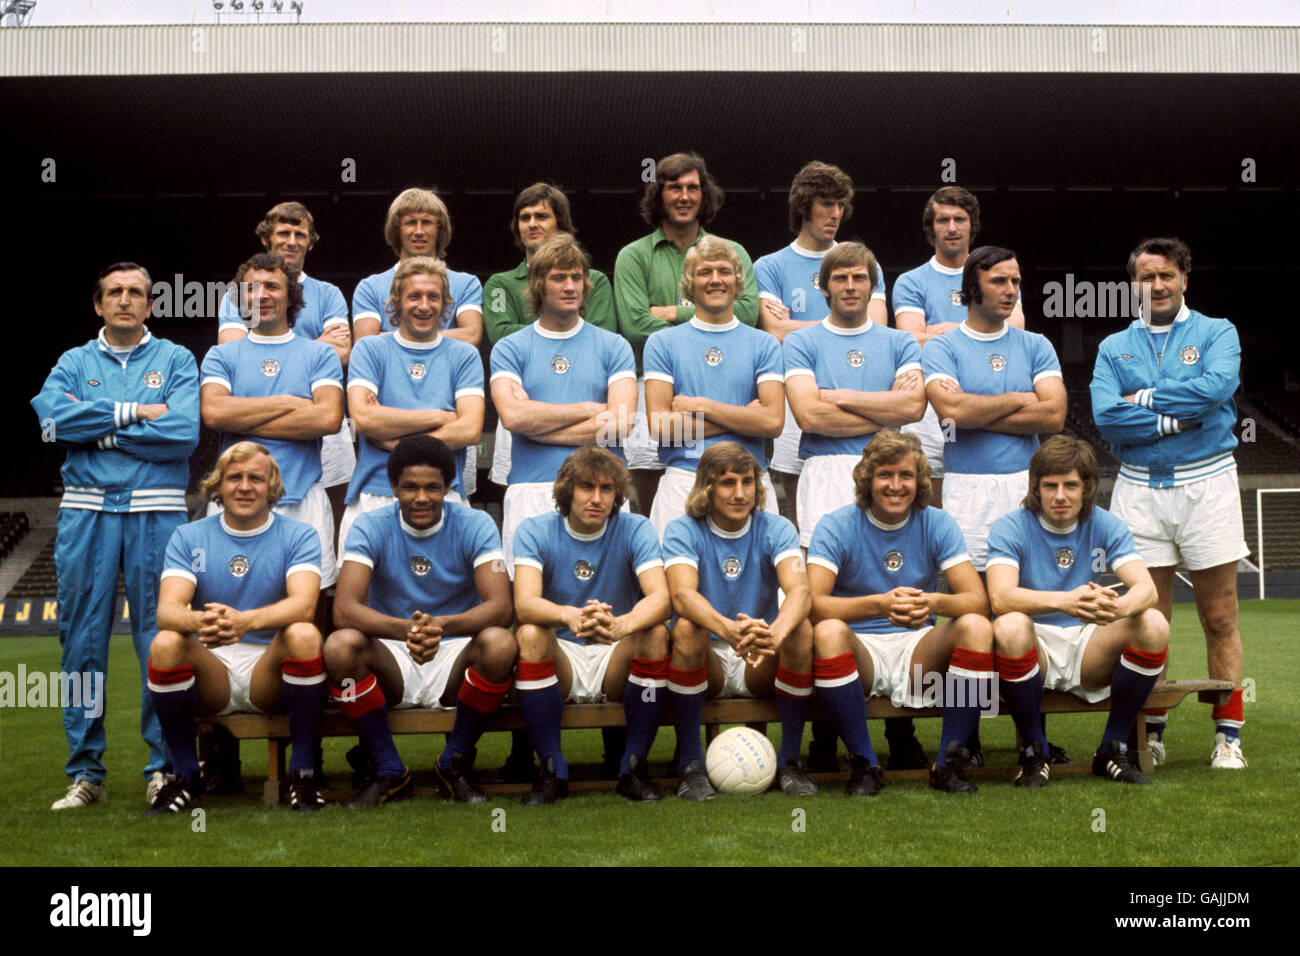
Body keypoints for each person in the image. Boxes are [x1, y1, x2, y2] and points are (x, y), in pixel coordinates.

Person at [33, 262, 200, 810]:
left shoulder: (174, 359)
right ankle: (86, 773)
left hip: (158, 511)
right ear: (99, 305)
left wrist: (96, 433)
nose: (126, 300)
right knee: (81, 641)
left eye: (136, 293)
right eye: (115, 292)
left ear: (151, 305)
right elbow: (52, 424)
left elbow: (181, 434)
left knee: (160, 641)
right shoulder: (73, 362)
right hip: (87, 513)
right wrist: (131, 415)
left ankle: (163, 767)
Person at [1090, 237, 1248, 769]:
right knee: (1148, 618)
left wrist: (1143, 401)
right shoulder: (1114, 346)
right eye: (1145, 276)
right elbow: (1106, 417)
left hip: (1208, 483)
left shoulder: (1216, 331)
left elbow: (1218, 387)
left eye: (1166, 275)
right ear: (1132, 283)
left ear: (1184, 278)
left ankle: (1229, 736)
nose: (1155, 285)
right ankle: (1150, 731)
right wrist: (1177, 416)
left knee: (1220, 615)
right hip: (1137, 487)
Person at [327, 436, 515, 806]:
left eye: (433, 487)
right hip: (392, 654)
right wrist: (406, 630)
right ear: (393, 486)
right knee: (339, 647)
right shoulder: (370, 525)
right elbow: (344, 609)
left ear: (449, 487)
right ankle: (388, 769)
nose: (421, 497)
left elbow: (500, 608)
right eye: (409, 487)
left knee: (500, 642)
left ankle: (454, 761)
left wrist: (441, 626)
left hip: (454, 652)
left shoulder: (475, 523)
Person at [807, 430, 995, 794]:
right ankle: (864, 763)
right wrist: (878, 604)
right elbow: (813, 604)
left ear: (919, 480)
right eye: (885, 475)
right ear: (867, 480)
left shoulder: (936, 522)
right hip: (858, 650)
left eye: (906, 475)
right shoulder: (836, 524)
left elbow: (977, 600)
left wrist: (933, 602)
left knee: (975, 626)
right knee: (827, 631)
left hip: (917, 652)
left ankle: (950, 762)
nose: (896, 485)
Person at [145, 443, 326, 814]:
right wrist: (200, 621)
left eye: (256, 478)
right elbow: (167, 610)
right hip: (213, 669)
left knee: (304, 634)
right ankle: (185, 777)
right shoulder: (189, 536)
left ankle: (303, 774)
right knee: (165, 643)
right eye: (234, 478)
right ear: (218, 486)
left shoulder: (299, 535)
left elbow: (305, 605)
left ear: (272, 486)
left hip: (269, 669)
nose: (245, 487)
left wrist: (245, 622)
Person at [987, 436, 1170, 786]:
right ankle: (1033, 750)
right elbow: (1000, 597)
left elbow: (1147, 589)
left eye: (1070, 485)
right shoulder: (1011, 526)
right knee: (1009, 625)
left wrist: (1114, 608)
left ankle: (1112, 748)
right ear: (1035, 487)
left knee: (1153, 622)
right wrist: (1064, 601)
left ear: (1086, 487)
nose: (1060, 495)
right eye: (1050, 485)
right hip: (1032, 642)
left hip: (1088, 644)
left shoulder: (1104, 523)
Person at [512, 447, 671, 804]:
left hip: (617, 652)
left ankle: (633, 766)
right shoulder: (535, 529)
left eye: (607, 489)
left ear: (618, 494)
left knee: (656, 633)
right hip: (563, 653)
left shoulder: (636, 527)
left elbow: (661, 598)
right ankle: (552, 771)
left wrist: (621, 624)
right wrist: (569, 615)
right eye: (586, 487)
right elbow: (524, 603)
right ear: (567, 489)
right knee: (530, 633)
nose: (596, 498)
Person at [661, 443, 817, 800]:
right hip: (709, 656)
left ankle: (791, 761)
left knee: (800, 630)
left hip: (760, 657)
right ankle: (690, 765)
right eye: (728, 483)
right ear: (707, 488)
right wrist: (727, 629)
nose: (740, 493)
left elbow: (801, 593)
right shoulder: (683, 529)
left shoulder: (775, 527)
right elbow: (682, 596)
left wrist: (774, 635)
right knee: (686, 628)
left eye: (748, 482)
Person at [200, 253, 344, 618]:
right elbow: (214, 413)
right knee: (227, 605)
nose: (261, 295)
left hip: (302, 497)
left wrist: (243, 414)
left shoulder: (319, 354)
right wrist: (289, 402)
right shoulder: (221, 355)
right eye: (252, 287)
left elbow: (328, 417)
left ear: (291, 296)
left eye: (272, 287)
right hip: (235, 498)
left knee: (307, 615)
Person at [614, 152, 759, 516]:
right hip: (658, 383)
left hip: (726, 378)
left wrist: (673, 313)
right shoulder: (632, 256)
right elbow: (634, 325)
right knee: (655, 505)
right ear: (658, 196)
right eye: (673, 187)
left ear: (703, 195)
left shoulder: (733, 252)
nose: (684, 196)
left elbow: (746, 312)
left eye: (692, 188)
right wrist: (703, 324)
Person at [490, 233, 636, 570]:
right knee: (529, 608)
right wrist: (587, 410)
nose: (570, 286)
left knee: (608, 601)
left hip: (602, 488)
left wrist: (537, 426)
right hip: (532, 486)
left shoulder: (614, 346)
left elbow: (620, 423)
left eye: (576, 277)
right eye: (559, 277)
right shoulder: (510, 348)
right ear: (539, 284)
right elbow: (513, 417)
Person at [921, 246, 1066, 572]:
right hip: (967, 485)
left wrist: (974, 409)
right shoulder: (941, 347)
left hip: (1025, 484)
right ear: (972, 288)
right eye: (999, 281)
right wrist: (1020, 398)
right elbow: (952, 416)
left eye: (1015, 281)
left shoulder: (1036, 344)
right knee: (975, 605)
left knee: (1028, 600)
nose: (1011, 290)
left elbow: (1054, 415)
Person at [754, 162, 880, 522]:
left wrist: (799, 326)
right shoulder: (769, 265)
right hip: (798, 392)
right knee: (801, 514)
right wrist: (841, 325)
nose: (835, 213)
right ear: (803, 206)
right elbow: (775, 333)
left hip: (859, 391)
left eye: (841, 205)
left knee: (870, 513)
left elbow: (877, 328)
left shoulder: (863, 262)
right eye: (826, 203)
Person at [216, 201, 354, 530]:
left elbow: (343, 352)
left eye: (300, 234)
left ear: (310, 241)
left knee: (327, 516)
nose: (292, 240)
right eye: (283, 232)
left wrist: (277, 356)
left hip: (321, 416)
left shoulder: (328, 293)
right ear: (266, 239)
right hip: (257, 413)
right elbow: (232, 351)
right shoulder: (239, 293)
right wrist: (312, 353)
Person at [783, 241, 925, 546]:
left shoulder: (901, 342)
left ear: (872, 286)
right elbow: (809, 417)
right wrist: (889, 411)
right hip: (825, 469)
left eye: (859, 278)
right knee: (823, 582)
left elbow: (914, 407)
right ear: (824, 287)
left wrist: (838, 396)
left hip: (889, 470)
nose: (850, 287)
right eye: (840, 278)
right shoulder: (800, 342)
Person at [893, 187, 1027, 507]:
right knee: (924, 501)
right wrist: (977, 332)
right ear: (931, 227)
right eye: (943, 220)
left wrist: (941, 331)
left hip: (985, 395)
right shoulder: (912, 281)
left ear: (972, 224)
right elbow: (910, 337)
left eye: (959, 219)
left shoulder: (999, 276)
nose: (952, 227)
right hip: (928, 403)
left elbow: (1016, 329)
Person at [483, 183, 618, 497]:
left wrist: (542, 328)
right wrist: (555, 323)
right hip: (536, 425)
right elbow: (501, 334)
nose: (531, 224)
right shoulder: (500, 284)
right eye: (524, 217)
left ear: (560, 222)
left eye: (541, 216)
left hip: (578, 419)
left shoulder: (595, 280)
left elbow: (599, 335)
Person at [643, 235, 785, 536]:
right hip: (684, 478)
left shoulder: (765, 344)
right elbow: (661, 428)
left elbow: (772, 422)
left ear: (738, 281)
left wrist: (702, 406)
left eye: (724, 271)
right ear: (689, 283)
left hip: (748, 482)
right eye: (705, 272)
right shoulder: (662, 342)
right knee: (675, 581)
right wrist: (743, 418)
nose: (715, 280)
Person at [341, 257, 484, 551]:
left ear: (447, 305)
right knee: (363, 596)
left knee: (448, 596)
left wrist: (395, 442)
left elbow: (469, 429)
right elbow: (365, 420)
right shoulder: (369, 348)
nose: (424, 305)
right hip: (375, 494)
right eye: (414, 296)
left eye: (434, 297)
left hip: (444, 494)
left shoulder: (464, 355)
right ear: (395, 302)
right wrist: (442, 416)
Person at [351, 187, 483, 347]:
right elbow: (365, 344)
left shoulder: (466, 284)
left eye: (426, 222)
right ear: (397, 230)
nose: (419, 231)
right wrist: (440, 336)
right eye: (411, 223)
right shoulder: (370, 287)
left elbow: (471, 336)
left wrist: (393, 337)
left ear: (439, 230)